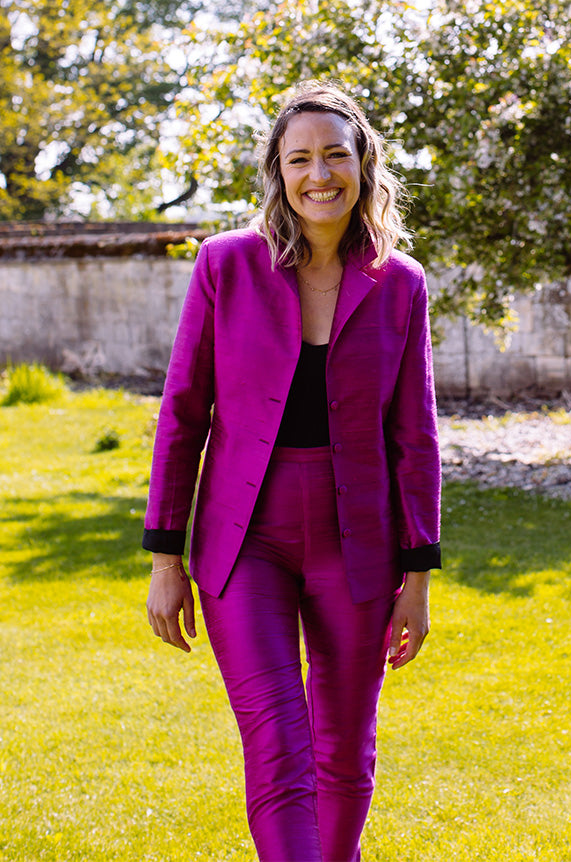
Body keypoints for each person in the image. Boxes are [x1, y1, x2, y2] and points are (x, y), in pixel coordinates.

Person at [143, 80, 441, 862]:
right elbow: (183, 414)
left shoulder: (399, 282)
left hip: (361, 545)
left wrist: (418, 576)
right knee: (277, 742)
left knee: (345, 746)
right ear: (277, 172)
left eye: (335, 155)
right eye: (299, 158)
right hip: (246, 544)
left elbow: (415, 435)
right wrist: (164, 560)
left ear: (363, 163)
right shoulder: (225, 265)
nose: (319, 174)